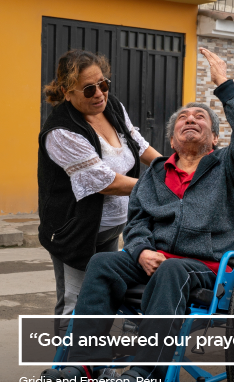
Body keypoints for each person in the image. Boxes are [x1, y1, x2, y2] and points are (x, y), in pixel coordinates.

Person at [41, 48, 234, 382]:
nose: (191, 119)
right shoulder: (157, 174)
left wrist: (224, 85)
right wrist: (142, 249)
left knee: (173, 270)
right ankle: (82, 367)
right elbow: (138, 221)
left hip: (204, 266)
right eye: (182, 119)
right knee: (102, 263)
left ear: (215, 139)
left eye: (201, 118)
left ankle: (146, 375)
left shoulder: (228, 167)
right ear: (172, 140)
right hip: (152, 259)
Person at [38, 50, 161, 336]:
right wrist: (161, 186)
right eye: (89, 89)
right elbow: (105, 182)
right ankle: (68, 371)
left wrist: (172, 170)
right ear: (68, 93)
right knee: (75, 302)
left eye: (103, 84)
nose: (100, 94)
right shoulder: (61, 131)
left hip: (110, 227)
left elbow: (138, 143)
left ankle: (94, 364)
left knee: (106, 294)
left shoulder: (111, 107)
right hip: (76, 230)